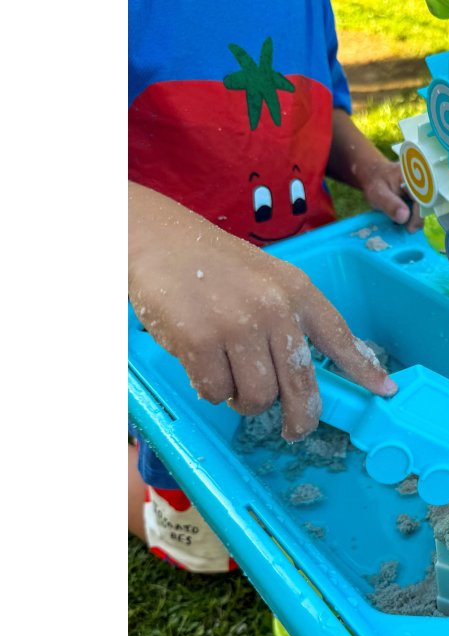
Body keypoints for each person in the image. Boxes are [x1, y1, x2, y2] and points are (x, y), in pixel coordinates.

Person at [128, 0, 422, 572]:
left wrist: (367, 166)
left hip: (304, 277)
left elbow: (316, 110)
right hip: (175, 316)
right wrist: (143, 244)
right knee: (207, 548)